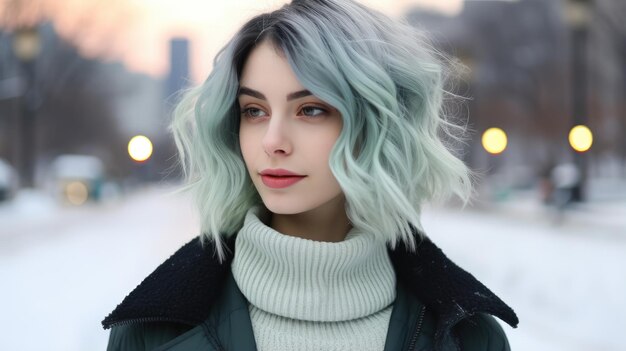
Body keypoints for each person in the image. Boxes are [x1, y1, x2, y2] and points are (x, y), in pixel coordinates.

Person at [102, 0, 518, 350]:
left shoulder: (470, 337)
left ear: (376, 123)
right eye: (254, 111)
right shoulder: (149, 333)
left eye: (311, 109)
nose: (273, 140)